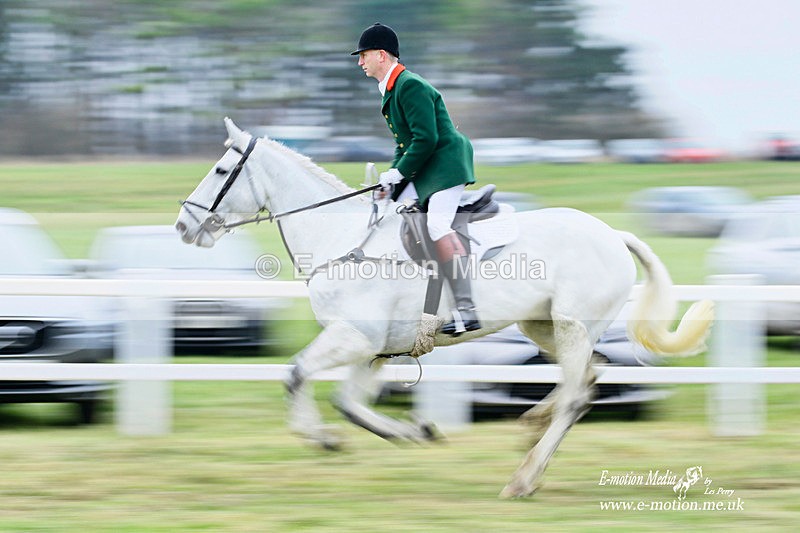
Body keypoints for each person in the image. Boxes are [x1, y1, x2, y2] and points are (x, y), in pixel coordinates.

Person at [351, 22, 480, 336]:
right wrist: (389, 185)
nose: (360, 62)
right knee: (392, 213)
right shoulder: (392, 90)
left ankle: (467, 308)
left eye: (364, 55)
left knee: (437, 225)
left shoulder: (410, 85)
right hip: (428, 164)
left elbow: (425, 139)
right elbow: (404, 145)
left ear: (382, 55)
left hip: (446, 163)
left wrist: (398, 174)